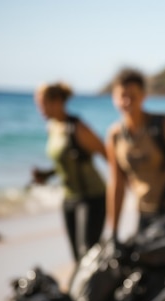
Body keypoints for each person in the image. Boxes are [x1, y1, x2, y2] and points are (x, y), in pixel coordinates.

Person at [105, 68, 165, 239]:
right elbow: (117, 185)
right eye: (122, 96)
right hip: (143, 213)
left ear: (143, 96)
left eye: (133, 96)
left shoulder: (164, 126)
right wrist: (112, 233)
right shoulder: (115, 135)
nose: (127, 102)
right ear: (114, 98)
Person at [33, 82, 107, 262]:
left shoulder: (77, 128)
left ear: (58, 101)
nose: (40, 108)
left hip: (92, 198)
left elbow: (107, 154)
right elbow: (64, 163)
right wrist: (46, 175)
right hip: (69, 198)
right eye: (38, 104)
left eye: (43, 103)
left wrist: (121, 187)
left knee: (87, 253)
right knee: (76, 255)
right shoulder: (51, 127)